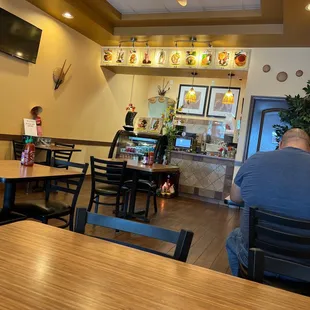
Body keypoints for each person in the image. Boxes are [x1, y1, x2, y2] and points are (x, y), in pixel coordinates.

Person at [226, 128, 310, 276]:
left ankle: (241, 287)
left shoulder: (256, 159)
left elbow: (235, 197)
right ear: (308, 148)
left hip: (256, 261)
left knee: (233, 238)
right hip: (304, 270)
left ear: (280, 144)